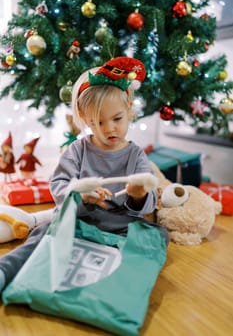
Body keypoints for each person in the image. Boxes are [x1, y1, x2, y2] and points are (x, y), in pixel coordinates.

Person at [0, 56, 168, 293]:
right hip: (79, 217)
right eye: (98, 122)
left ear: (129, 107)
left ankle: (119, 282)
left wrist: (139, 195)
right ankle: (5, 270)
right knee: (42, 235)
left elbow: (146, 205)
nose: (109, 128)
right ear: (86, 119)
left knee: (157, 235)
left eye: (117, 119)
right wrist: (80, 194)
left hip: (118, 223)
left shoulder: (135, 155)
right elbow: (58, 185)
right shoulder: (78, 150)